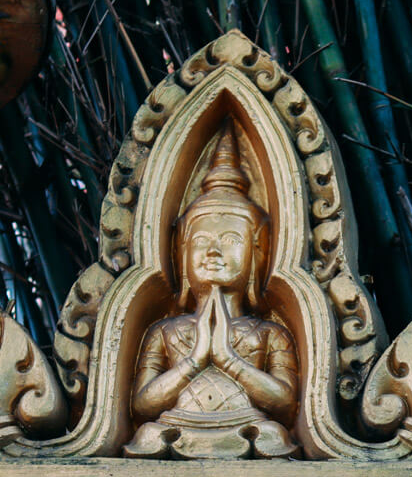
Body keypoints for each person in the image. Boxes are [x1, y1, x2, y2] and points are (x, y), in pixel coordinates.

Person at [125, 124, 299, 459]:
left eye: (231, 240)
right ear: (181, 253)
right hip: (173, 427)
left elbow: (285, 402)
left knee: (276, 434)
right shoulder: (164, 331)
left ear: (257, 255)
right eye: (201, 241)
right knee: (147, 433)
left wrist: (228, 360)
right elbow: (142, 404)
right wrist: (194, 360)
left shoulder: (271, 334)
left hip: (251, 427)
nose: (213, 252)